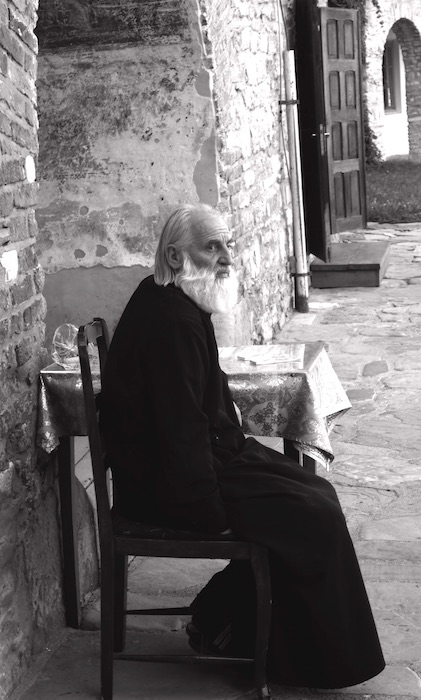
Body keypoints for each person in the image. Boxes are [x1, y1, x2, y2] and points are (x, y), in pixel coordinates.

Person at [99, 203, 385, 690]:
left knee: (315, 494)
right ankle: (290, 655)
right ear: (175, 255)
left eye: (228, 244)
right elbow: (180, 429)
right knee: (310, 516)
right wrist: (206, 511)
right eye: (212, 246)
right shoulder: (172, 321)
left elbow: (194, 413)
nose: (227, 257)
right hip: (170, 486)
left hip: (196, 463)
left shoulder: (174, 300)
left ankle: (220, 619)